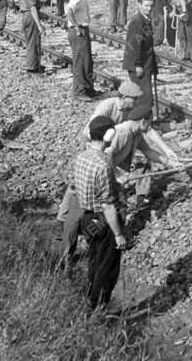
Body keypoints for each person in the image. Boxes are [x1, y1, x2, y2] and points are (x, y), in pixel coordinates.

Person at [71, 117, 129, 310]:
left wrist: (116, 184)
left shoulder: (82, 157)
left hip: (87, 218)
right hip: (104, 222)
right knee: (108, 267)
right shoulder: (104, 165)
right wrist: (118, 234)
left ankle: (90, 298)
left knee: (95, 261)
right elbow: (108, 206)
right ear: (109, 135)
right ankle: (98, 307)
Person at [123, 0, 158, 103]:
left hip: (146, 63)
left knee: (144, 96)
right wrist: (138, 65)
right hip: (139, 66)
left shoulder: (146, 20)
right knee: (144, 97)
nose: (149, 9)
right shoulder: (137, 22)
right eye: (146, 6)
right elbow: (134, 45)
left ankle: (143, 113)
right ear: (139, 5)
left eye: (151, 6)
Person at [67, 0, 95, 100]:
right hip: (78, 31)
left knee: (87, 60)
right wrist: (76, 26)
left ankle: (89, 89)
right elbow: (69, 11)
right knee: (80, 62)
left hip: (84, 29)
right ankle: (79, 92)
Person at [20, 0, 46, 73]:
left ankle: (34, 64)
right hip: (30, 16)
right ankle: (32, 67)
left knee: (30, 41)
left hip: (25, 15)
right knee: (33, 42)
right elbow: (33, 8)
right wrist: (39, 25)